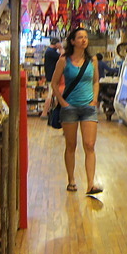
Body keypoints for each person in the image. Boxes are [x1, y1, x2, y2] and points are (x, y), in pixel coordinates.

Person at [50, 28, 101, 194]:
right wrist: (62, 102)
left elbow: (95, 81)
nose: (84, 40)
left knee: (90, 144)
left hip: (88, 107)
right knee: (71, 145)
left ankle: (91, 183)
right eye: (80, 37)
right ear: (72, 41)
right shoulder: (64, 60)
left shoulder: (92, 60)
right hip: (70, 107)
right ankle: (71, 180)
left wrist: (94, 99)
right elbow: (54, 83)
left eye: (86, 37)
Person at [40, 38, 62, 119]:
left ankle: (57, 113)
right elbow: (62, 57)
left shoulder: (49, 51)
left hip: (50, 76)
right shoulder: (51, 52)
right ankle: (44, 113)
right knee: (50, 94)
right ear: (56, 44)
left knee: (55, 94)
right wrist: (61, 48)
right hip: (52, 77)